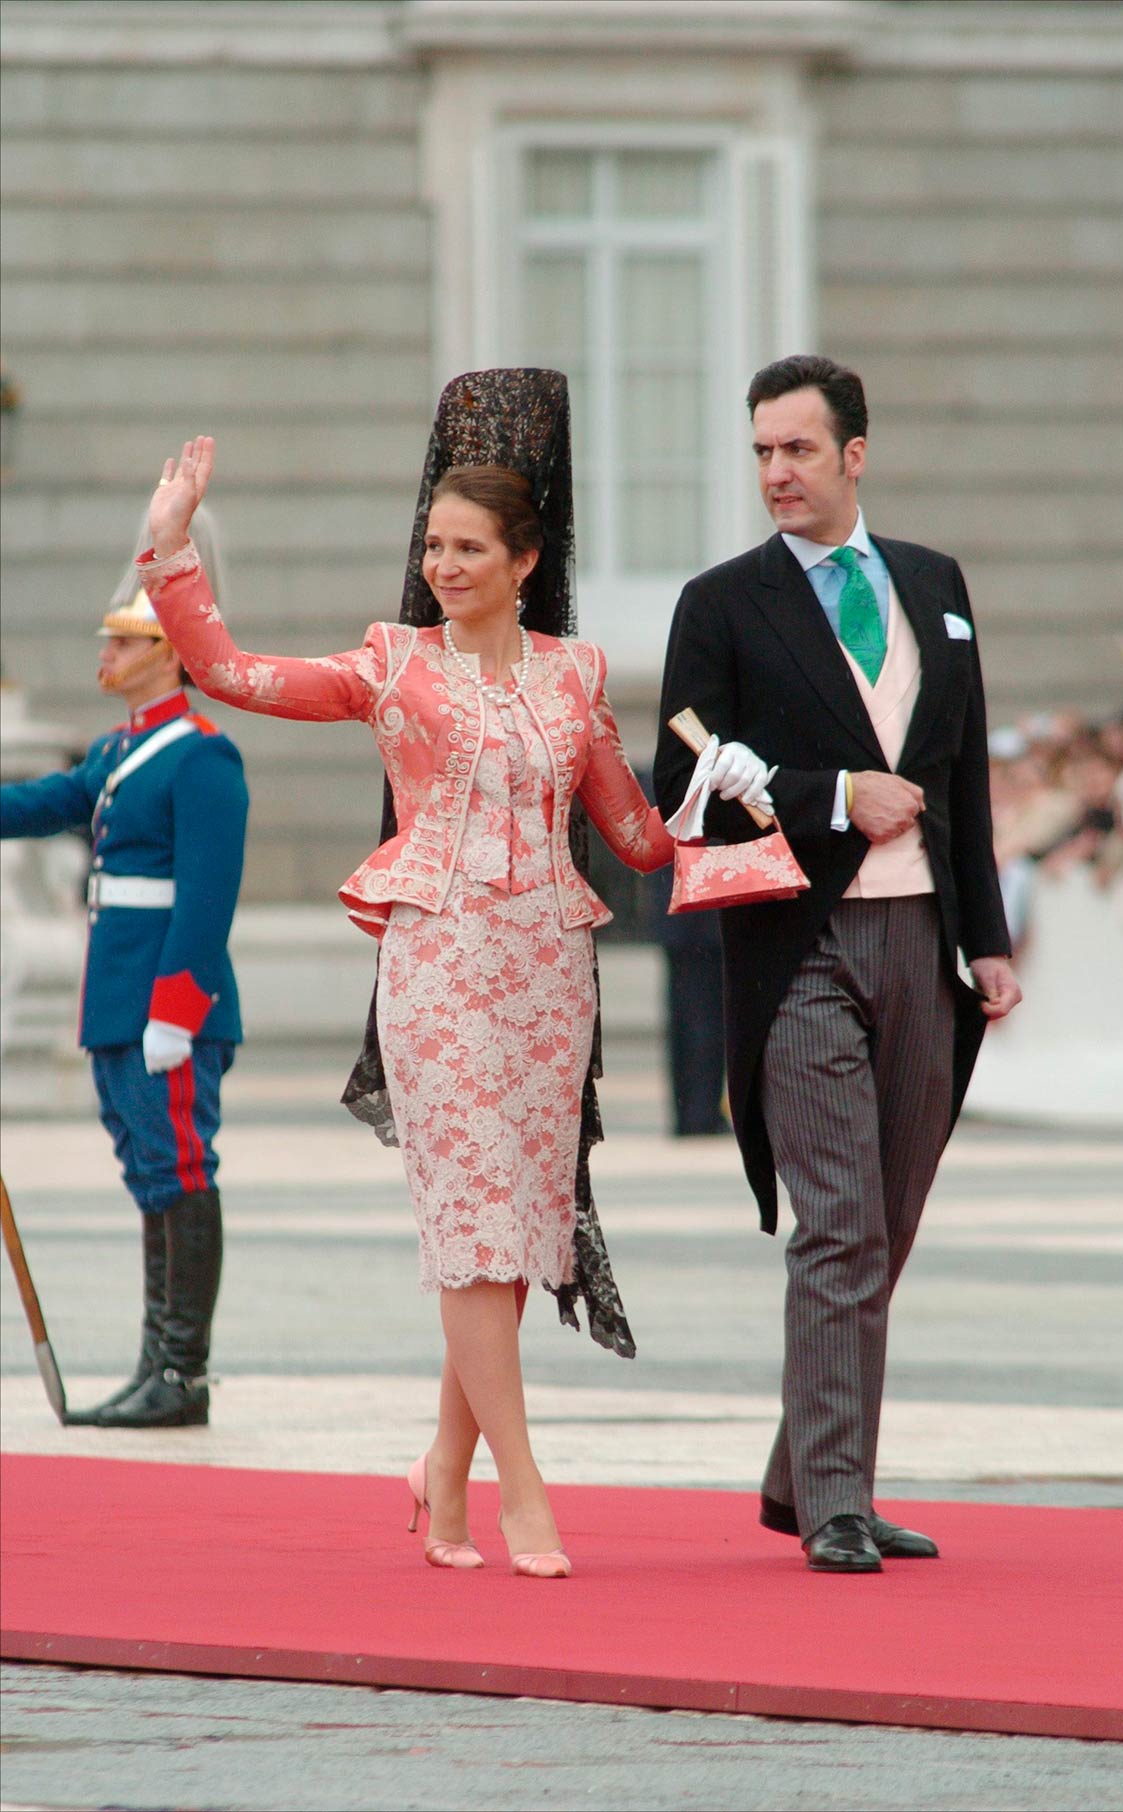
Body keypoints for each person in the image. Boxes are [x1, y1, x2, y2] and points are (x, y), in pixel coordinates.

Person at [135, 372, 676, 1578]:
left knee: (523, 1237)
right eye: (433, 543)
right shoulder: (391, 665)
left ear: (526, 557)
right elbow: (230, 671)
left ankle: (441, 1473)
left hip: (550, 975)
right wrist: (170, 550)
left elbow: (636, 838)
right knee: (474, 1228)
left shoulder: (577, 676)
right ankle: (520, 1490)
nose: (446, 563)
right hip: (435, 966)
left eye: (470, 545)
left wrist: (756, 808)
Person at [654, 355, 1021, 1573]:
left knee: (889, 1222)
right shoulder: (722, 602)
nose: (776, 474)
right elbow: (683, 797)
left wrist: (988, 939)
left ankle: (800, 1466)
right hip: (795, 945)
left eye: (798, 450)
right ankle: (835, 1505)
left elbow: (960, 774)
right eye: (761, 451)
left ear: (854, 454)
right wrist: (827, 797)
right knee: (841, 1227)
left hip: (924, 939)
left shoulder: (934, 584)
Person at [0, 508, 247, 1428]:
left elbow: (206, 900)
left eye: (123, 638)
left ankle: (181, 1373)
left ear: (170, 649)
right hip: (117, 997)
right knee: (150, 1172)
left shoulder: (203, 758)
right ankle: (159, 1365)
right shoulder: (115, 752)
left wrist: (177, 1009)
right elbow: (36, 802)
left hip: (166, 1005)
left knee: (180, 1168)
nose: (103, 652)